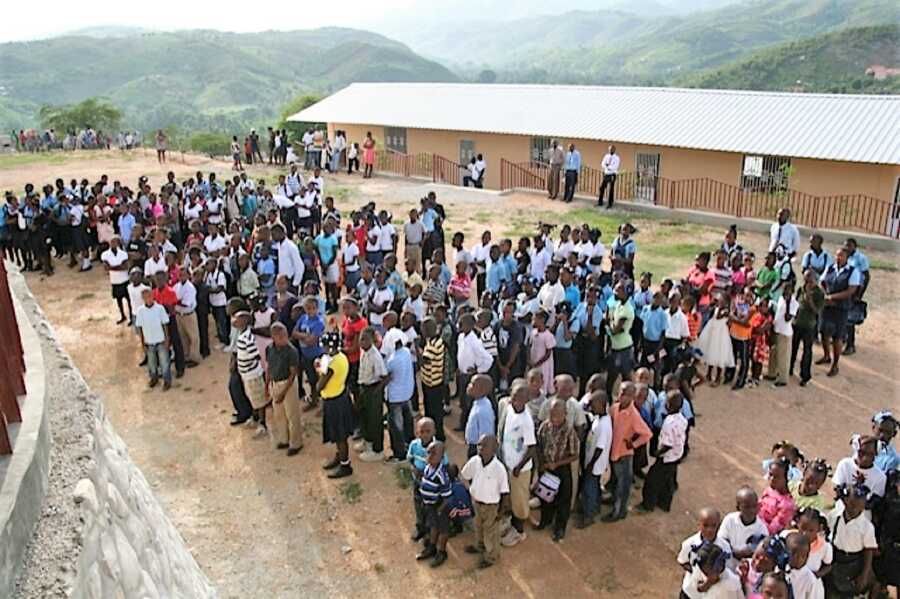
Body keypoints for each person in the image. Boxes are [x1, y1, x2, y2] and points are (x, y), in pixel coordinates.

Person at [604, 382, 652, 522]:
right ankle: (613, 500)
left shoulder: (634, 415)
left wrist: (634, 444)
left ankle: (619, 512)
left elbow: (647, 434)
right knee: (615, 480)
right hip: (614, 452)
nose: (621, 396)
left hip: (624, 455)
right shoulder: (615, 408)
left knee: (623, 486)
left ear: (632, 397)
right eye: (620, 392)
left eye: (626, 394)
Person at [497, 381, 537, 546]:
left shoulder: (526, 420)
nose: (514, 401)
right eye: (513, 397)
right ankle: (512, 523)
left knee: (519, 500)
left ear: (526, 400)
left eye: (519, 399)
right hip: (508, 462)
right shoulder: (509, 409)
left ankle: (519, 531)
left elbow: (532, 448)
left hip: (519, 469)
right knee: (511, 497)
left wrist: (519, 467)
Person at [461, 434, 509, 569]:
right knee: (478, 527)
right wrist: (474, 488)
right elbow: (466, 475)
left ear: (495, 448)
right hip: (476, 503)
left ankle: (491, 556)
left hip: (491, 506)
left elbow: (505, 492)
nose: (480, 448)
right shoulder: (474, 461)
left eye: (484, 445)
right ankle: (479, 546)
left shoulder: (499, 469)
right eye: (479, 445)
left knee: (490, 532)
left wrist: (502, 511)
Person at [638, 391, 688, 513]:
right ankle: (664, 503)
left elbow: (668, 444)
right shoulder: (682, 418)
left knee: (651, 481)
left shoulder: (669, 422)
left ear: (668, 405)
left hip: (666, 457)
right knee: (667, 481)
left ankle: (648, 505)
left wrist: (657, 453)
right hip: (676, 456)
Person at [826, 482, 877, 597]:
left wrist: (864, 574)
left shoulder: (866, 527)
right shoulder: (835, 516)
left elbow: (868, 551)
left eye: (860, 508)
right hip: (835, 559)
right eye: (852, 505)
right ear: (845, 501)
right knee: (831, 591)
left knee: (847, 594)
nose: (855, 510)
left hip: (853, 563)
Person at [817, 247, 860, 377]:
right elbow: (822, 282)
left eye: (841, 256)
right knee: (824, 331)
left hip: (841, 308)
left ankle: (835, 364)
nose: (838, 258)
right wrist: (825, 295)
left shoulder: (853, 271)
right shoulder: (830, 268)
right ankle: (826, 356)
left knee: (838, 336)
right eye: (837, 255)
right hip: (828, 305)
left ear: (847, 258)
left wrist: (832, 297)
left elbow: (851, 291)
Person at [316, 331, 354, 479]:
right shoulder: (340, 357)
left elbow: (320, 386)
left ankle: (345, 465)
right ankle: (340, 457)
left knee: (340, 435)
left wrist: (317, 370)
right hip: (340, 396)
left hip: (335, 402)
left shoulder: (332, 364)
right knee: (339, 434)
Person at [266, 322, 303, 456]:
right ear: (273, 338)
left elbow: (293, 373)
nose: (284, 339)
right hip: (275, 383)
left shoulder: (291, 351)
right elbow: (269, 368)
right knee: (279, 414)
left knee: (292, 414)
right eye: (280, 337)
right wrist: (267, 385)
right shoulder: (270, 349)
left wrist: (283, 392)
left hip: (288, 384)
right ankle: (284, 439)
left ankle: (296, 443)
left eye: (285, 335)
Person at [414, 440, 453, 568]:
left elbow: (447, 497)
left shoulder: (441, 475)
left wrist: (440, 509)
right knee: (433, 526)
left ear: (441, 457)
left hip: (440, 507)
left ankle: (442, 551)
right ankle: (432, 547)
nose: (429, 456)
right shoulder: (428, 467)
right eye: (428, 453)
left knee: (443, 530)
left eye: (434, 454)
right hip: (430, 505)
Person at [577, 390, 612, 529]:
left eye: (594, 404)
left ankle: (588, 515)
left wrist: (591, 464)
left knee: (589, 488)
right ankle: (595, 507)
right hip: (593, 462)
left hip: (595, 464)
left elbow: (600, 448)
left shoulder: (604, 425)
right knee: (595, 487)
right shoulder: (599, 418)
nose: (591, 407)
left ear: (602, 405)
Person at [717, 487, 769, 570]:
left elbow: (760, 552)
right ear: (738, 507)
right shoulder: (730, 520)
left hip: (747, 570)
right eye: (747, 507)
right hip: (726, 565)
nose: (752, 510)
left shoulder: (761, 529)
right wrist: (735, 553)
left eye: (754, 506)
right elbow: (721, 541)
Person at [356, 327, 387, 462]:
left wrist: (376, 392)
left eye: (365, 339)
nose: (362, 342)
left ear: (372, 341)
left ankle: (377, 450)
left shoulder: (375, 356)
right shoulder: (363, 351)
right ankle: (367, 443)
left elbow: (384, 377)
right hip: (363, 387)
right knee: (365, 417)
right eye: (360, 338)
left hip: (373, 389)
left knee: (375, 420)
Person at [790, 270, 824, 387]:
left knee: (807, 351)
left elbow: (817, 311)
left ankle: (805, 376)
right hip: (797, 322)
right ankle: (789, 368)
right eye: (805, 279)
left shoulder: (819, 293)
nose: (806, 282)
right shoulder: (801, 288)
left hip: (809, 325)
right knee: (793, 347)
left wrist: (810, 300)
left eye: (809, 280)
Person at [384, 338, 416, 462]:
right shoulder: (406, 352)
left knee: (396, 427)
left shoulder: (392, 360)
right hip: (407, 393)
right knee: (408, 422)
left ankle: (400, 454)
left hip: (395, 397)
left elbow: (387, 376)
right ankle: (410, 447)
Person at [134, 288, 171, 390]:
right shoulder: (140, 311)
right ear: (142, 298)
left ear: (153, 296)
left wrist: (167, 339)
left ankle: (167, 380)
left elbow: (165, 325)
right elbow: (140, 328)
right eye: (145, 297)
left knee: (164, 362)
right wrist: (142, 343)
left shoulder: (160, 308)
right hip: (149, 341)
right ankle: (154, 378)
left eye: (149, 296)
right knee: (151, 363)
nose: (148, 299)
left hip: (160, 340)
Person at [420, 318, 448, 441]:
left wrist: (416, 347)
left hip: (432, 383)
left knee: (434, 411)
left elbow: (423, 361)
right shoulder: (436, 340)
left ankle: (438, 437)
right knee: (432, 409)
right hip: (432, 380)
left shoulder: (432, 345)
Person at [767, 280, 797, 388]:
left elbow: (788, 318)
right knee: (773, 353)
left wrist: (788, 303)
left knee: (783, 356)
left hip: (785, 332)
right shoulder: (780, 299)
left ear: (792, 291)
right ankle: (772, 373)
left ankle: (783, 378)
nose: (785, 292)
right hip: (777, 328)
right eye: (784, 290)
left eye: (787, 290)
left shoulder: (794, 303)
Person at [843, 238, 870, 356]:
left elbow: (866, 276)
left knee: (850, 319)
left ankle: (850, 345)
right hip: (846, 289)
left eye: (849, 246)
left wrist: (859, 294)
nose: (847, 248)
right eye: (845, 246)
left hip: (855, 290)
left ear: (854, 246)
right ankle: (843, 338)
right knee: (843, 315)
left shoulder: (861, 258)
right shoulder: (846, 257)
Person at [758, 458, 797, 535]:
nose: (772, 479)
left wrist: (755, 523)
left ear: (786, 478)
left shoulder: (787, 505)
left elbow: (771, 530)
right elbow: (759, 505)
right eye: (771, 474)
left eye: (777, 477)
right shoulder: (769, 490)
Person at [101, 235, 132, 324]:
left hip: (124, 280)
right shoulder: (105, 254)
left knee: (128, 300)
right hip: (114, 281)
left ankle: (130, 317)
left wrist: (112, 267)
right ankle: (123, 315)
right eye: (111, 242)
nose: (112, 244)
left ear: (118, 243)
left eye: (114, 242)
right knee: (119, 301)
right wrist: (118, 267)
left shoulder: (123, 254)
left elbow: (125, 267)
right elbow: (106, 268)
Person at [464, 374, 495, 458]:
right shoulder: (478, 403)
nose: (469, 386)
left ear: (481, 390)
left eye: (472, 384)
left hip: (477, 448)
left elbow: (486, 435)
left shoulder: (483, 411)